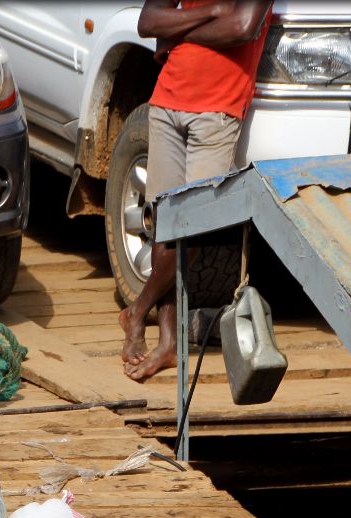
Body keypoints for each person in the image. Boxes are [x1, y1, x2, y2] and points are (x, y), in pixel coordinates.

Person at [120, 0, 271, 381]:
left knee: (197, 228)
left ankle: (137, 311)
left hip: (217, 111)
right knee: (166, 226)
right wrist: (212, 13)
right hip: (166, 101)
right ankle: (169, 342)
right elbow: (148, 22)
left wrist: (177, 28)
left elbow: (242, 28)